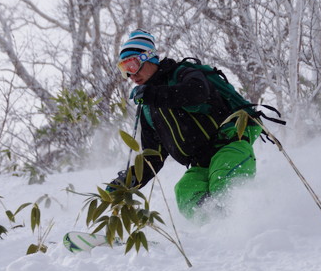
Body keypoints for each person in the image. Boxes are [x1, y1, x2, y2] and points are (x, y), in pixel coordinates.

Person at [108, 29, 262, 220]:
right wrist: (125, 185)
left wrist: (154, 95)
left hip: (229, 144)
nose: (130, 75)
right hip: (201, 163)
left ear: (150, 57)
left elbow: (198, 92)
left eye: (132, 65)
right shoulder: (148, 109)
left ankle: (248, 226)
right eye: (124, 70)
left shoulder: (182, 73)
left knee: (223, 180)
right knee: (185, 192)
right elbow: (153, 158)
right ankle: (214, 235)